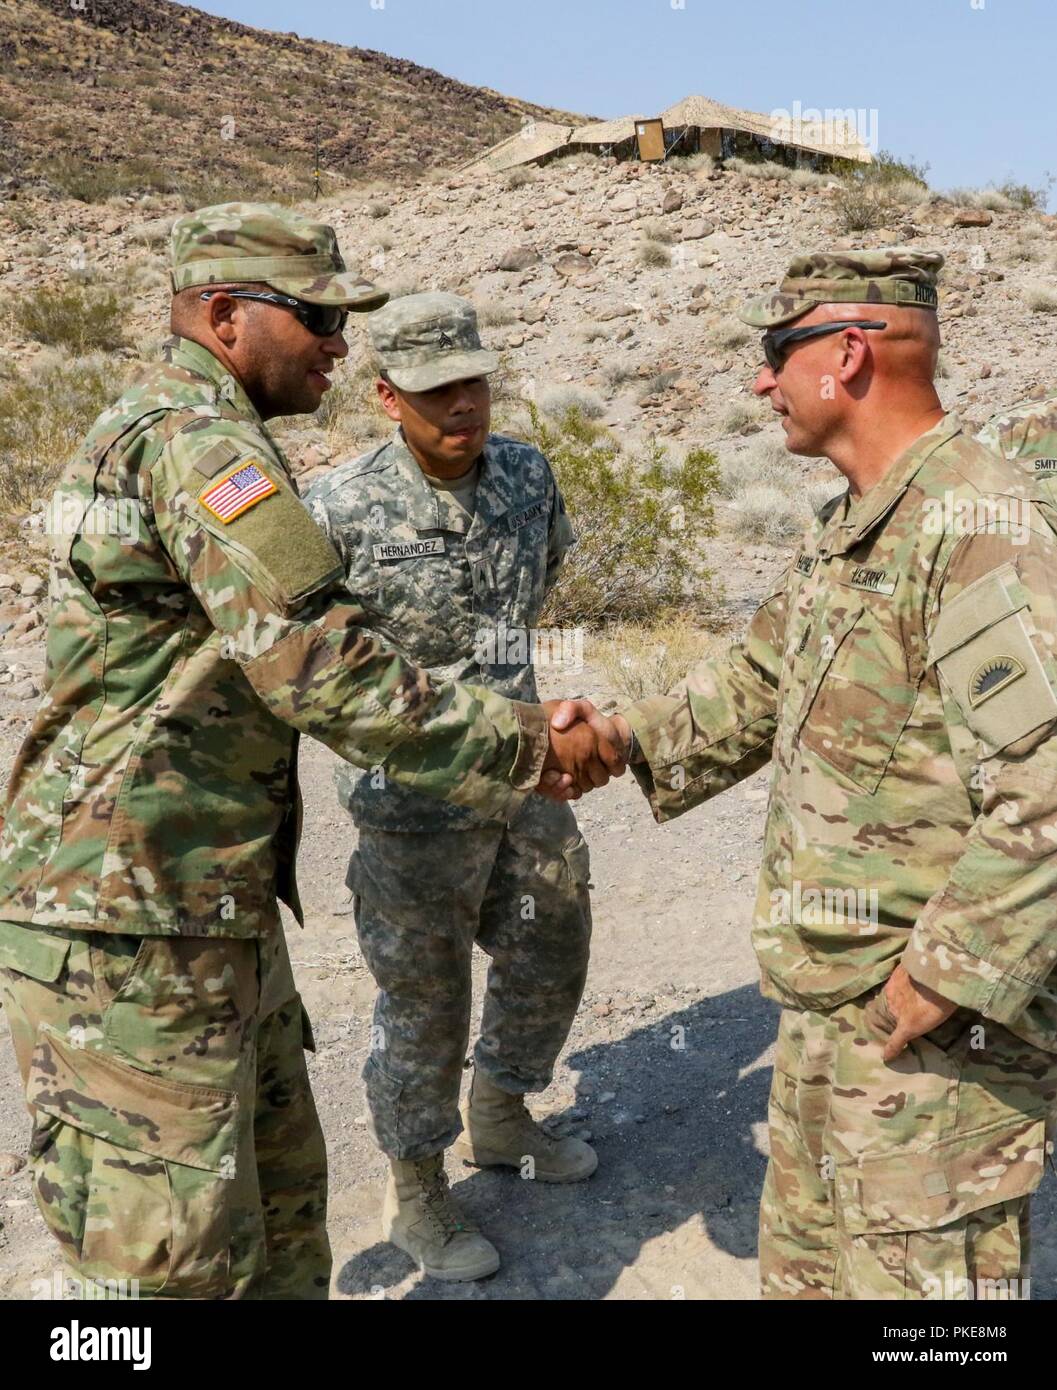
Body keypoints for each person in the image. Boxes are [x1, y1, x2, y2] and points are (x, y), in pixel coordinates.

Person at [0, 203, 621, 1301]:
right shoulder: (196, 445)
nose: (338, 343)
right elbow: (326, 671)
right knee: (167, 1265)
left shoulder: (203, 435)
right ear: (226, 315)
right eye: (320, 318)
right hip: (129, 911)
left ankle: (496, 1112)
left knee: (282, 1217)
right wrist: (533, 742)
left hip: (202, 893)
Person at [564, 249, 1057, 1300]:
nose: (759, 382)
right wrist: (607, 741)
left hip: (933, 1036)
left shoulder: (976, 525)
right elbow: (752, 684)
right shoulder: (851, 525)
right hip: (832, 1007)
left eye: (773, 354)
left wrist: (945, 971)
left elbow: (1049, 782)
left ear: (845, 354)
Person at [304, 292, 595, 1283]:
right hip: (412, 801)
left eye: (472, 381)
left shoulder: (524, 473)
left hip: (523, 770)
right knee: (424, 999)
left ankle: (504, 1113)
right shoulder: (337, 508)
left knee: (552, 940)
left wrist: (520, 698)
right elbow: (315, 667)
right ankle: (419, 1188)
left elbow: (534, 587)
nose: (461, 405)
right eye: (435, 390)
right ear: (387, 395)